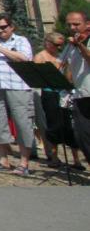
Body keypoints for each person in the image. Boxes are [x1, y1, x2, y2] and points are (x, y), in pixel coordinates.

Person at [0, 14, 35, 176]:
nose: (0, 30)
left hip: (17, 86)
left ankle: (24, 162)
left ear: (11, 27)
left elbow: (24, 58)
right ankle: (3, 159)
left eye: (3, 27)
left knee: (22, 122)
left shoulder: (20, 41)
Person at [34, 31, 79, 169]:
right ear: (48, 43)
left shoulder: (61, 56)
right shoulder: (40, 56)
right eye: (56, 45)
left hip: (64, 93)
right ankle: (54, 157)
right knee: (53, 124)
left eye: (61, 45)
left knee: (69, 125)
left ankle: (76, 160)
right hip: (50, 93)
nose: (59, 48)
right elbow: (39, 77)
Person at [60, 11, 90, 165]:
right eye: (69, 24)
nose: (72, 28)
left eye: (76, 24)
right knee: (83, 136)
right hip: (80, 94)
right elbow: (62, 65)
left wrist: (79, 45)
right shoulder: (70, 45)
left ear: (87, 24)